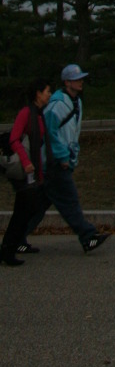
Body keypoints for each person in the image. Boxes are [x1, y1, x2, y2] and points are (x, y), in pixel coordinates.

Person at [32, 64, 109, 255]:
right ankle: (88, 236)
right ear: (67, 82)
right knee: (69, 201)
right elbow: (50, 133)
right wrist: (63, 156)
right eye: (76, 79)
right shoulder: (58, 104)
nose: (80, 81)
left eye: (81, 78)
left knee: (37, 206)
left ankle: (16, 239)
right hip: (55, 163)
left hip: (58, 161)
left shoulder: (75, 102)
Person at [1, 77, 52, 267]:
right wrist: (26, 161)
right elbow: (14, 139)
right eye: (47, 91)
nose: (49, 95)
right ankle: (8, 249)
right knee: (25, 209)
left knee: (24, 210)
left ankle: (8, 249)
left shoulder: (39, 114)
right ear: (38, 94)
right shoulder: (26, 113)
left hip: (31, 170)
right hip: (22, 170)